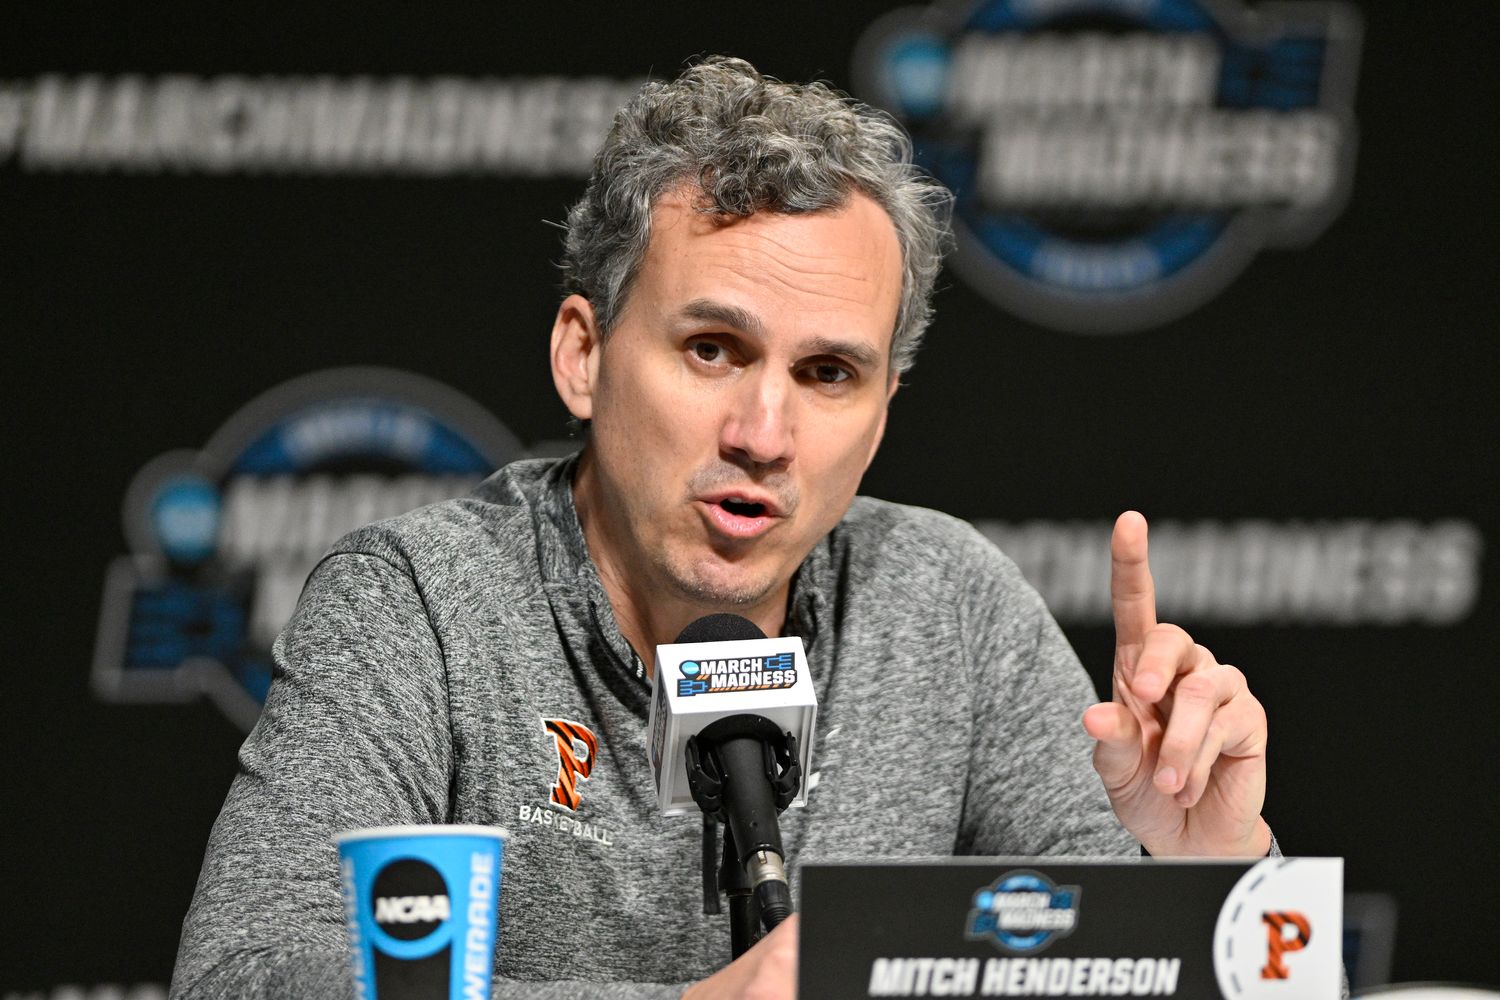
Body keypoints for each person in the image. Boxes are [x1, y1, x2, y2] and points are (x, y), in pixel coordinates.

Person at [170, 57, 1272, 999]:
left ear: (884, 413)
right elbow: (245, 973)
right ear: (584, 355)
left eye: (829, 372)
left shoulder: (948, 607)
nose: (763, 431)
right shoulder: (422, 607)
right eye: (712, 349)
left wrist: (1213, 872)